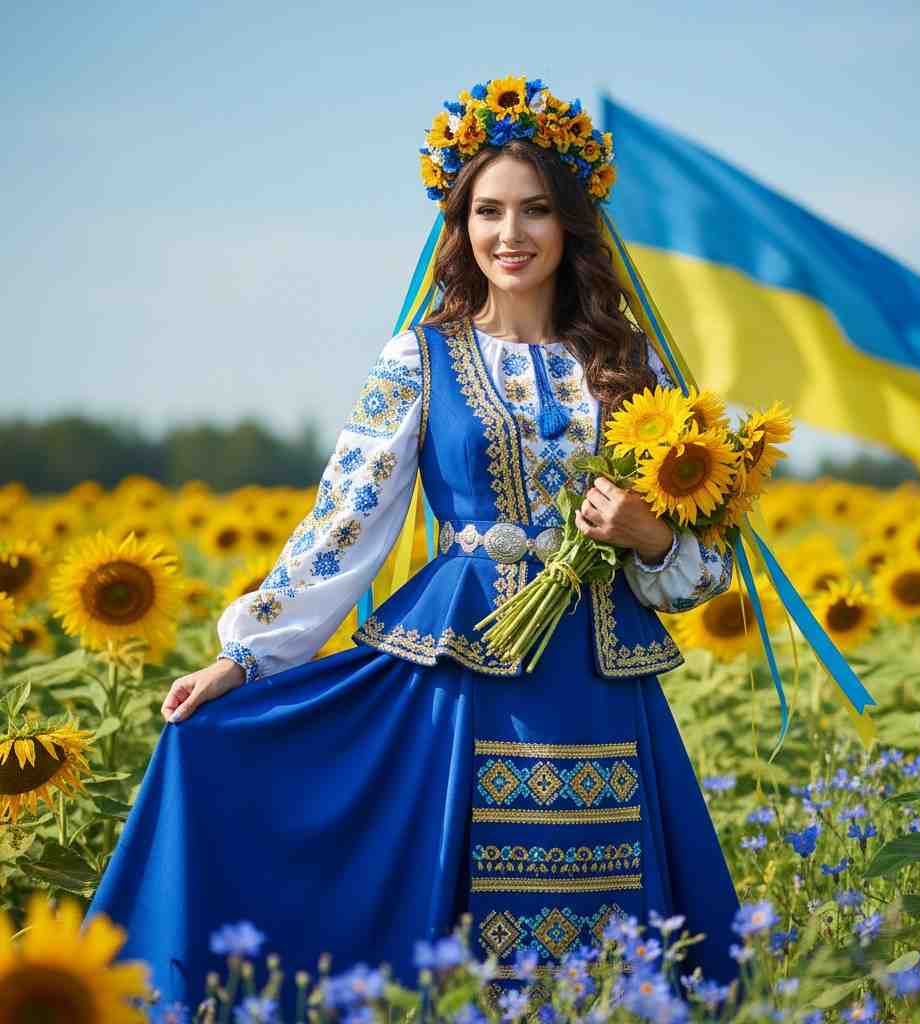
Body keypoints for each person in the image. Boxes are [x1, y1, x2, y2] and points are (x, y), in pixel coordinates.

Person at [85, 76, 742, 1013]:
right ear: (460, 224)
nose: (510, 235)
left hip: (598, 686)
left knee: (607, 937)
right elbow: (343, 526)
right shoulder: (417, 359)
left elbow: (705, 571)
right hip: (464, 679)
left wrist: (647, 536)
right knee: (456, 927)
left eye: (535, 211)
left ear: (572, 226)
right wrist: (247, 656)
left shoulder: (631, 371)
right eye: (488, 212)